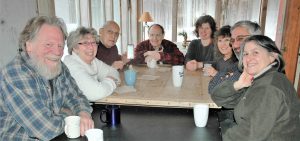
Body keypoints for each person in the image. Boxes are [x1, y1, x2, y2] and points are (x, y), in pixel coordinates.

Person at [0, 16, 94, 140]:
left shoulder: (59, 66)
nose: (57, 52)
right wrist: (70, 115)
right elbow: (45, 129)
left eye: (60, 46)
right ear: (29, 46)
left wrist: (83, 113)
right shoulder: (14, 73)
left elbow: (76, 96)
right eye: (49, 44)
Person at [211, 35, 300, 141]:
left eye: (255, 52)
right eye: (245, 54)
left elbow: (249, 136)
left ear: (272, 57)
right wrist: (238, 84)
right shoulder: (260, 78)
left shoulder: (269, 87)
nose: (249, 58)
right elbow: (217, 97)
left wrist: (218, 138)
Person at [63, 27, 120, 101]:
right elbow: (96, 93)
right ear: (75, 48)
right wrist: (111, 81)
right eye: (85, 43)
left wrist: (105, 83)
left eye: (93, 42)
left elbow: (113, 72)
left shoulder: (93, 61)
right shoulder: (71, 65)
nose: (91, 47)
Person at [208, 20, 262, 93]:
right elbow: (212, 88)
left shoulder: (264, 70)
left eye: (240, 38)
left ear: (257, 39)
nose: (235, 45)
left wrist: (218, 75)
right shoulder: (239, 65)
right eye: (232, 41)